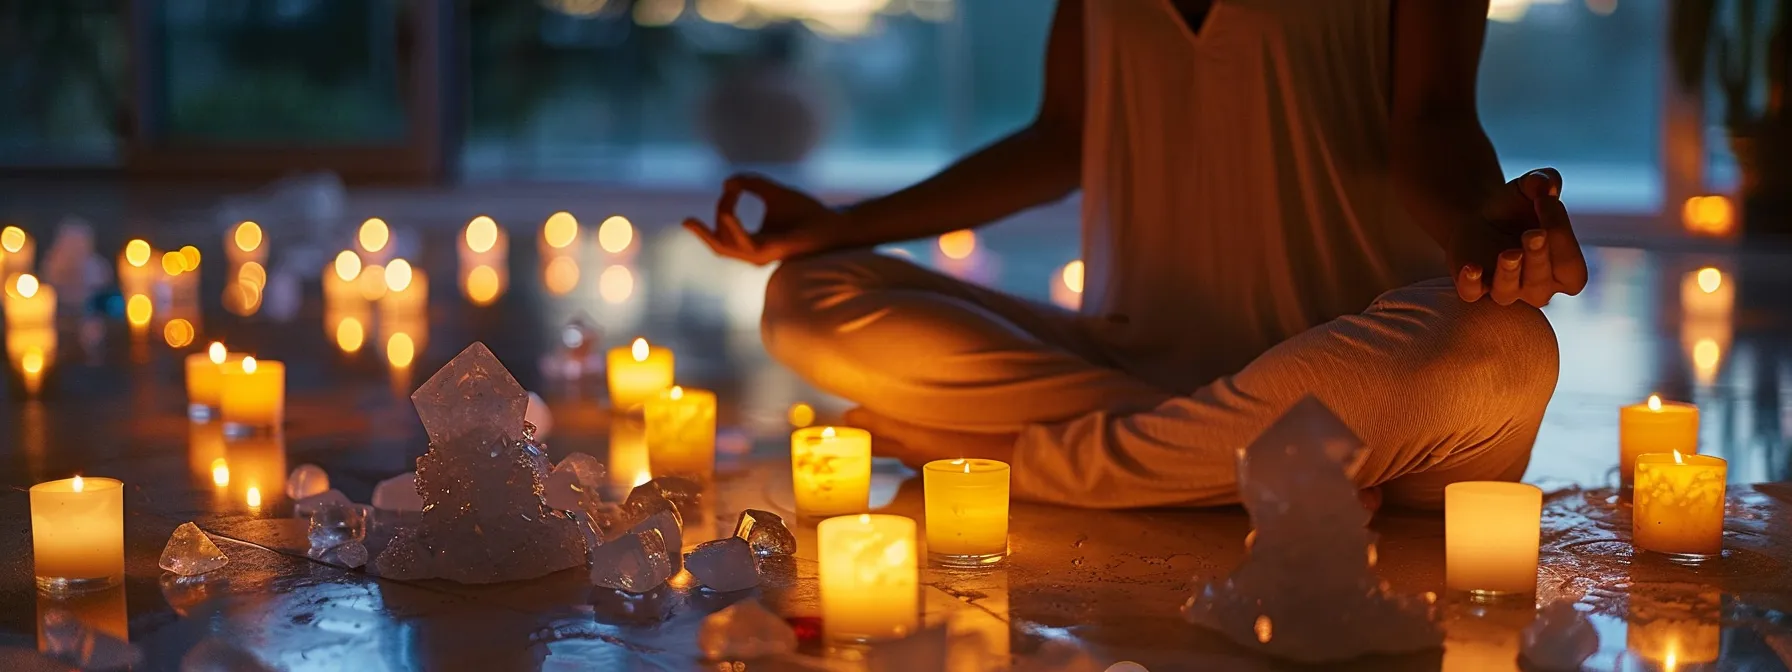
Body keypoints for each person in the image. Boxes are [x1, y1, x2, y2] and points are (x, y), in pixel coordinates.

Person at [684, 0, 1586, 509]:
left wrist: (1484, 227)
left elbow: (1432, 120)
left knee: (1505, 353)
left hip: (1350, 363)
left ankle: (1025, 459)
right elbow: (1062, 135)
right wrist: (841, 226)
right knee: (807, 299)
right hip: (1136, 354)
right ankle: (1259, 459)